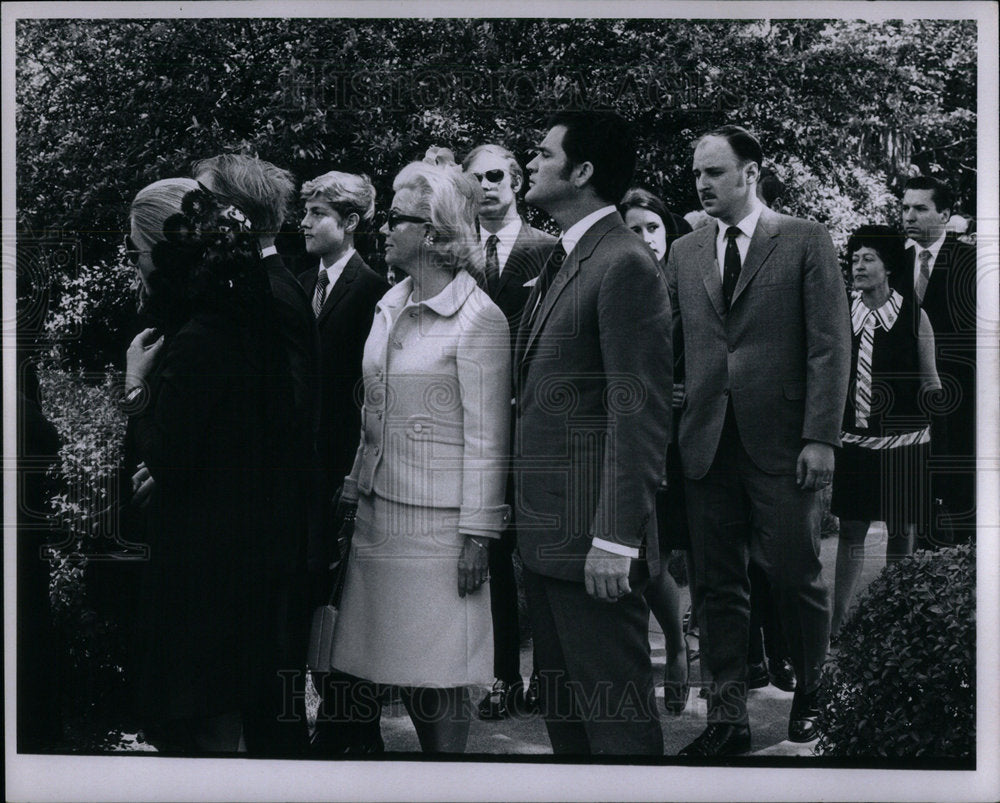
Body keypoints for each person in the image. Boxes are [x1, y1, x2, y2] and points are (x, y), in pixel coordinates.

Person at [667, 125, 850, 755]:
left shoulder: (804, 239)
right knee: (717, 587)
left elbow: (830, 345)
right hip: (707, 443)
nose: (702, 183)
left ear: (751, 172)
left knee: (796, 575)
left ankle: (814, 697)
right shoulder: (686, 251)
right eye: (697, 173)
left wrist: (821, 437)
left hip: (784, 443)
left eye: (714, 171)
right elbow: (673, 342)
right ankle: (726, 721)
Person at [327, 160, 511, 753]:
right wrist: (355, 485)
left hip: (440, 531)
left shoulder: (480, 319)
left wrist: (479, 536)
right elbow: (372, 410)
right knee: (393, 667)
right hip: (379, 517)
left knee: (440, 676)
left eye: (396, 218)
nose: (381, 228)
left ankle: (446, 781)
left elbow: (490, 436)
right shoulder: (389, 302)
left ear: (433, 232)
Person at [515, 110, 672, 756]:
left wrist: (615, 536)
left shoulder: (624, 263)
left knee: (619, 733)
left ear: (582, 171)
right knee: (570, 733)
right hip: (548, 543)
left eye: (543, 153)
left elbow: (639, 413)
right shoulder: (568, 255)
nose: (531, 161)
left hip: (592, 550)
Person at [123, 178, 296, 752]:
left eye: (136, 252)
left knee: (196, 718)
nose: (135, 265)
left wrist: (134, 389)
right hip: (241, 548)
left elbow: (173, 452)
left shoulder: (197, 337)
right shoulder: (250, 319)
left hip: (197, 561)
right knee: (220, 708)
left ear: (164, 252)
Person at [190, 153, 319, 756]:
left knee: (271, 694)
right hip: (256, 524)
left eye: (204, 200)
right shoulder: (252, 287)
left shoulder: (274, 293)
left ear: (235, 213)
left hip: (267, 529)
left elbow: (290, 421)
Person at [296, 170, 389, 754]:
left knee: (347, 603)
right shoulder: (301, 282)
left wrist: (354, 472)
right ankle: (333, 725)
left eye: (317, 213)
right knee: (311, 601)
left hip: (345, 471)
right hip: (300, 473)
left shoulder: (374, 289)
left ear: (350, 222)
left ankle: (353, 731)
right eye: (304, 212)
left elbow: (372, 392)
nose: (304, 223)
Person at [462, 142, 554, 720]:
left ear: (516, 181)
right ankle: (501, 676)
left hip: (537, 420)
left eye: (497, 176)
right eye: (476, 179)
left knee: (540, 551)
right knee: (491, 554)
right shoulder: (455, 252)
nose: (487, 187)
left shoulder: (549, 248)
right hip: (475, 420)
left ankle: (547, 670)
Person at [830, 226, 941, 635]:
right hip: (855, 443)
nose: (858, 266)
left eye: (868, 259)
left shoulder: (915, 316)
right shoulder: (841, 313)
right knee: (851, 531)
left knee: (901, 532)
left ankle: (897, 618)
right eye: (855, 258)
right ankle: (837, 624)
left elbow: (931, 381)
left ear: (889, 267)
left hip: (905, 444)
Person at [620, 186, 692, 715]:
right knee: (636, 560)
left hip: (681, 440)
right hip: (623, 434)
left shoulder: (687, 284)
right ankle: (656, 654)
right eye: (634, 229)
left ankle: (677, 648)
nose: (645, 238)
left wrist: (684, 388)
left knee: (656, 558)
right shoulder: (614, 279)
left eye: (653, 228)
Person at [900, 176, 977, 546]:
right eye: (905, 208)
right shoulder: (893, 263)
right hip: (904, 398)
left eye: (920, 208)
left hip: (961, 397)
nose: (909, 216)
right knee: (914, 489)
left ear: (944, 214)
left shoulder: (971, 261)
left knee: (962, 487)